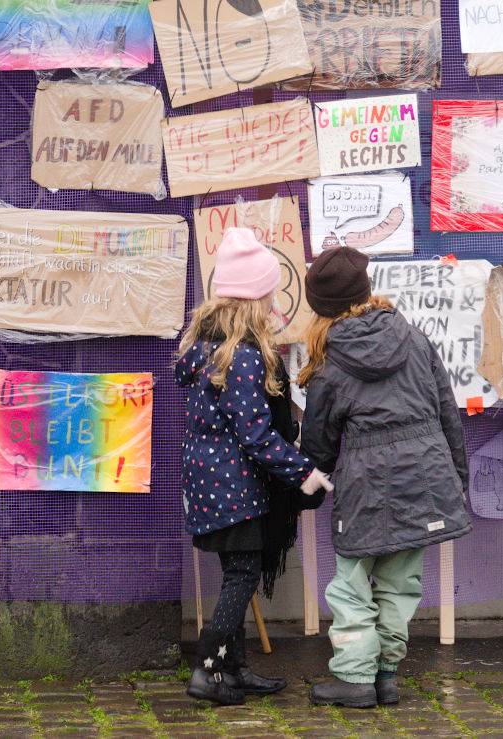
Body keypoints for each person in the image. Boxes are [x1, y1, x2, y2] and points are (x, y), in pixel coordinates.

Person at [298, 247, 472, 709]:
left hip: (365, 488)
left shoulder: (328, 363)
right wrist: (455, 482)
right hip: (426, 479)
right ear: (366, 290)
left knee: (352, 583)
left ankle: (355, 678)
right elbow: (447, 414)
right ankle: (386, 675)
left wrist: (306, 494)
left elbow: (318, 445)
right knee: (400, 582)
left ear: (320, 309)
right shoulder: (415, 339)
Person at [175, 227, 333, 706]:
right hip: (234, 488)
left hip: (211, 484)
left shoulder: (208, 348)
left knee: (236, 575)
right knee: (243, 575)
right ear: (252, 299)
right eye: (268, 294)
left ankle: (235, 668)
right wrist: (303, 471)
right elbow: (256, 434)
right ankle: (208, 670)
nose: (273, 303)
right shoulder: (242, 356)